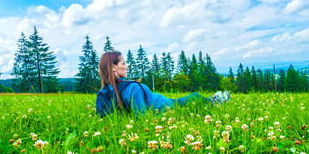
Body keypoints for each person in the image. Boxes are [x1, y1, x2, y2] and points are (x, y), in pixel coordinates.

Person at [96, 51, 230, 117]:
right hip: (166, 106)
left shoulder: (107, 90)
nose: (127, 67)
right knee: (194, 96)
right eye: (124, 64)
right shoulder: (131, 88)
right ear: (114, 67)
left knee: (193, 98)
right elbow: (142, 117)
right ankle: (218, 101)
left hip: (162, 103)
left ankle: (214, 100)